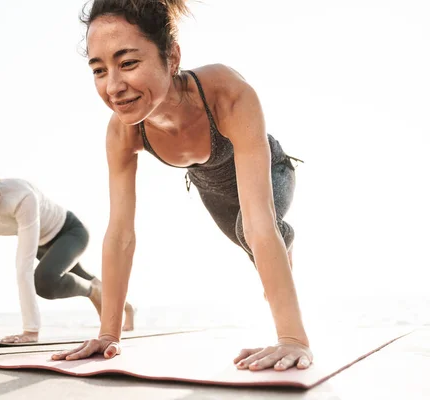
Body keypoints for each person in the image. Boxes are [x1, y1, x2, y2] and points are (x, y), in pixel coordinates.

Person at [53, 0, 312, 371]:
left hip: (271, 171)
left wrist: (293, 340)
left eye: (128, 63)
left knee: (252, 230)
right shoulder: (123, 131)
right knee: (247, 234)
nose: (114, 86)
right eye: (98, 69)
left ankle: (288, 292)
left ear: (172, 57)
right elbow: (120, 233)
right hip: (210, 185)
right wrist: (108, 334)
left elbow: (258, 221)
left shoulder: (227, 93)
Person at [0, 139, 135, 343]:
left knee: (45, 282)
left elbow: (23, 267)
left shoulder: (19, 196)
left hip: (70, 232)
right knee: (78, 277)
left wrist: (30, 331)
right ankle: (124, 306)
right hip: (42, 245)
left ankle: (94, 291)